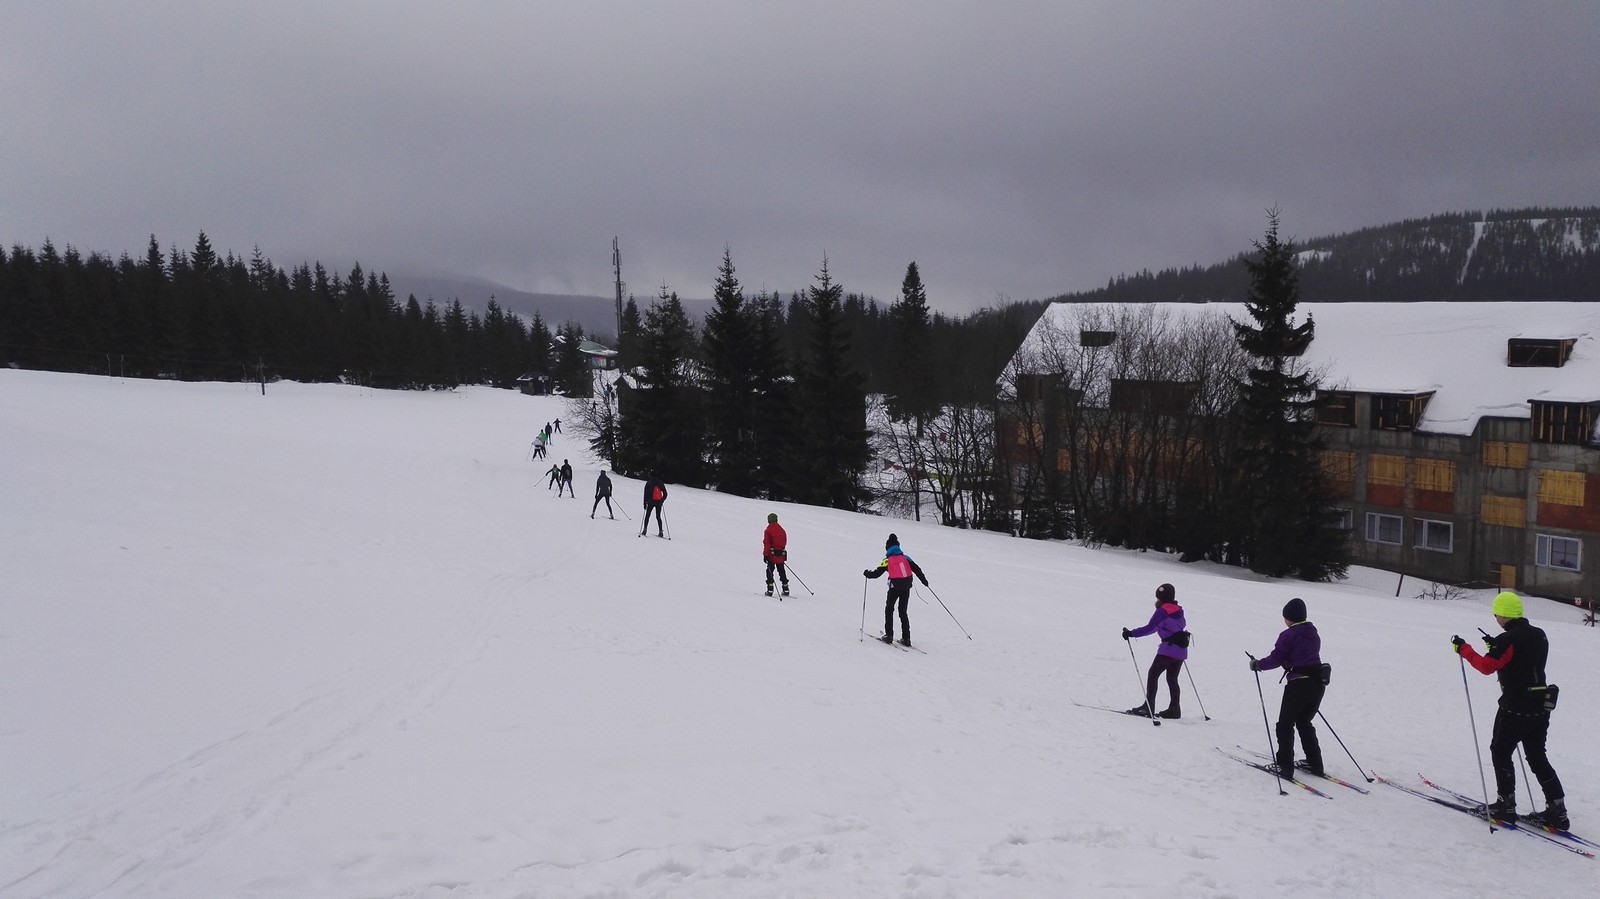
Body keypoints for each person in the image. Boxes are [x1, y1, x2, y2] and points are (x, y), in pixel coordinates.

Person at [1452, 591, 1568, 829]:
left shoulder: (1508, 640)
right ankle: (1558, 812)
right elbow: (1522, 659)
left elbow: (1487, 666)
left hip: (1516, 707)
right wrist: (1495, 646)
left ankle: (1505, 807)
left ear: (1502, 615)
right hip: (1541, 705)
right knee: (1537, 756)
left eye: (1496, 614)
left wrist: (1464, 650)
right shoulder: (1539, 634)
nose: (1496, 618)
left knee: (1501, 751)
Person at [1249, 598, 1326, 777]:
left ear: (1289, 617)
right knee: (1304, 722)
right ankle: (1315, 764)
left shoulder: (1288, 635)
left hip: (1299, 684)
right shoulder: (1312, 632)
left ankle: (1284, 766)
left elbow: (1276, 658)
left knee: (1285, 724)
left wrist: (1257, 664)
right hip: (1317, 684)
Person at [1122, 583, 1189, 719]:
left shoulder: (1162, 611)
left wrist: (1131, 633)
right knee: (1172, 678)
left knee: (1153, 674)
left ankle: (1148, 707)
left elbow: (1151, 628)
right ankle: (1175, 709)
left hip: (1168, 650)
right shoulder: (1179, 610)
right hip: (1181, 651)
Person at [864, 533, 928, 646]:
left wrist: (867, 574)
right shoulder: (906, 558)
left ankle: (889, 635)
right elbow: (917, 569)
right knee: (903, 612)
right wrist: (924, 581)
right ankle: (906, 638)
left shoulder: (887, 560)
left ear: (887, 548)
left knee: (889, 609)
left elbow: (876, 574)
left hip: (894, 587)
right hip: (906, 587)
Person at [762, 513, 790, 597]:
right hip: (781, 554)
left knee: (770, 571)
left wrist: (765, 554)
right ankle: (786, 588)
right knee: (781, 571)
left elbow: (767, 543)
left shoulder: (768, 531)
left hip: (772, 555)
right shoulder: (782, 530)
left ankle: (770, 589)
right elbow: (784, 541)